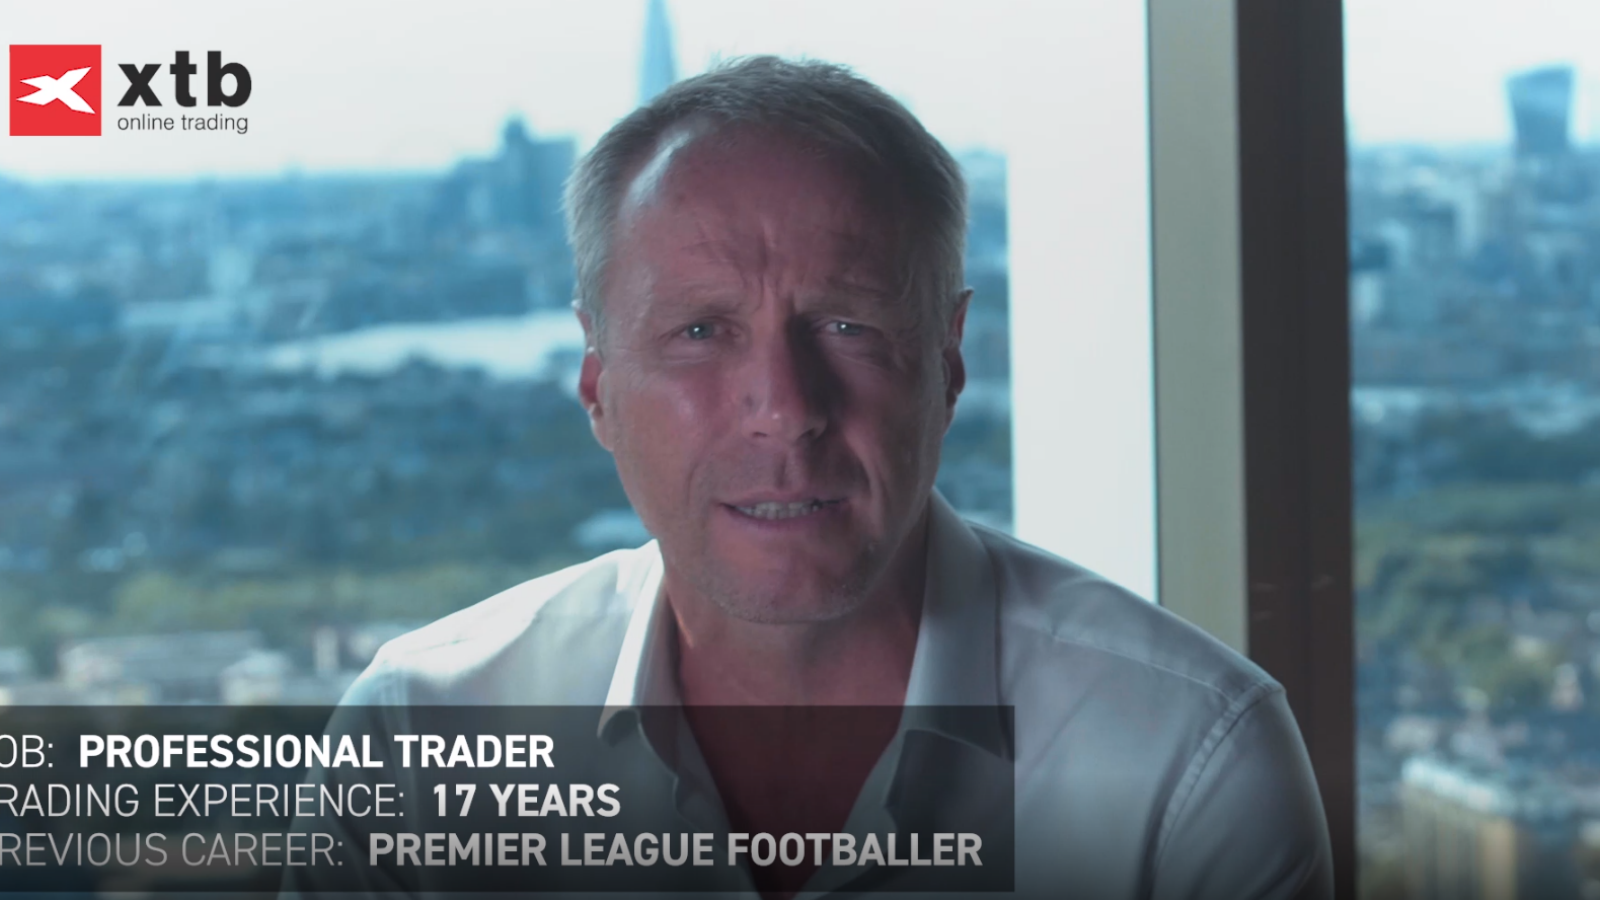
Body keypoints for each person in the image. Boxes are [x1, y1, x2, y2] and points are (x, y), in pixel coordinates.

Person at [307, 56, 1333, 899]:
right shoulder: (419, 739)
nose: (785, 406)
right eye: (701, 332)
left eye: (846, 325)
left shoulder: (1187, 765)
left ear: (947, 362)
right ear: (596, 386)